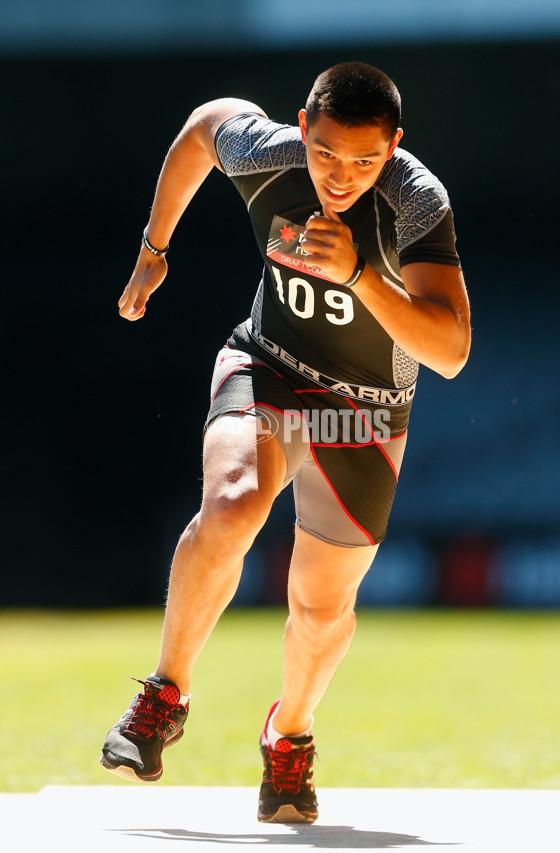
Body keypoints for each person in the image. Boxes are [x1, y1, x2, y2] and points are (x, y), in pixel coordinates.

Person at [100, 61, 471, 823]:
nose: (342, 177)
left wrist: (362, 274)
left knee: (320, 603)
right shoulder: (269, 152)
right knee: (233, 506)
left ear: (394, 146)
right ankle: (164, 693)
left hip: (364, 407)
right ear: (303, 128)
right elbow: (205, 125)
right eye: (327, 153)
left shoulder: (416, 200)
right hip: (270, 364)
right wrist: (153, 246)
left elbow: (452, 349)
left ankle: (289, 733)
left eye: (366, 161)